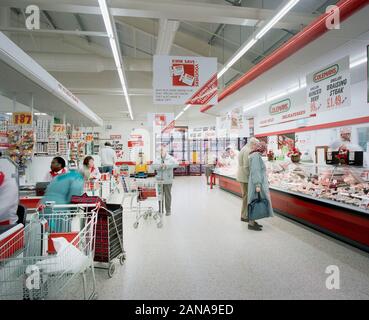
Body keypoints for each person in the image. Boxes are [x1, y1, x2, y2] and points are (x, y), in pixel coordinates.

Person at [247, 141, 274, 231]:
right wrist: (258, 185)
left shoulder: (255, 155)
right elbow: (256, 171)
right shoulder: (256, 156)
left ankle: (253, 221)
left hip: (255, 182)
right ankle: (251, 224)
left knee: (253, 201)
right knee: (254, 202)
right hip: (256, 183)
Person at [236, 137, 259, 223]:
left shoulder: (244, 148)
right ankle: (244, 215)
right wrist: (251, 177)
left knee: (245, 196)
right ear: (253, 144)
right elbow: (246, 166)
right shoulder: (248, 150)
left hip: (242, 176)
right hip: (244, 177)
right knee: (246, 197)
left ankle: (245, 214)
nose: (256, 147)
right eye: (256, 145)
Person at [152, 145, 179, 216]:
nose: (161, 152)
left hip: (168, 180)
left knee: (167, 195)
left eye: (162, 150)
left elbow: (176, 164)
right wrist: (159, 166)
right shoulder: (157, 158)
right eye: (159, 151)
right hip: (159, 180)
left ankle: (168, 210)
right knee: (160, 195)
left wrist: (167, 165)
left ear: (165, 150)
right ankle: (160, 210)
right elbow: (153, 166)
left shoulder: (170, 158)